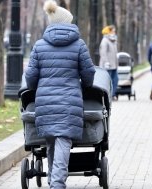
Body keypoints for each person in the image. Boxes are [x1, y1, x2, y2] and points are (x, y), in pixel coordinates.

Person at [25, 1, 96, 188]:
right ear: (68, 23)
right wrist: (86, 84)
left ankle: (52, 181)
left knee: (51, 141)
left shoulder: (39, 46)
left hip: (45, 103)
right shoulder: (79, 45)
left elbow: (30, 78)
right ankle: (56, 184)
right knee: (63, 141)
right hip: (69, 102)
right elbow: (89, 74)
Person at [99, 25, 119, 100]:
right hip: (108, 65)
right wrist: (106, 62)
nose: (114, 32)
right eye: (113, 31)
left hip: (114, 65)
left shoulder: (113, 40)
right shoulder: (105, 40)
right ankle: (107, 95)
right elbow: (103, 52)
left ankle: (113, 94)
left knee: (115, 80)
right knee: (108, 81)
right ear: (109, 31)